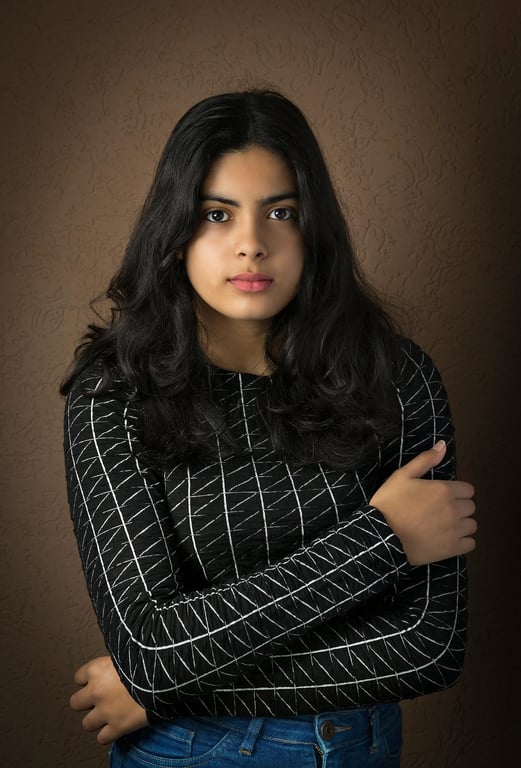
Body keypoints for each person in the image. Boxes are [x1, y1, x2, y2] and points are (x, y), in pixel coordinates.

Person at [62, 89, 476, 768]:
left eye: (280, 212)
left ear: (314, 228)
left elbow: (430, 646)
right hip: (191, 754)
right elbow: (149, 645)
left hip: (356, 746)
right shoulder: (114, 392)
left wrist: (165, 690)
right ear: (175, 232)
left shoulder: (394, 376)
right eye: (216, 215)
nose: (251, 244)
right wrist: (382, 538)